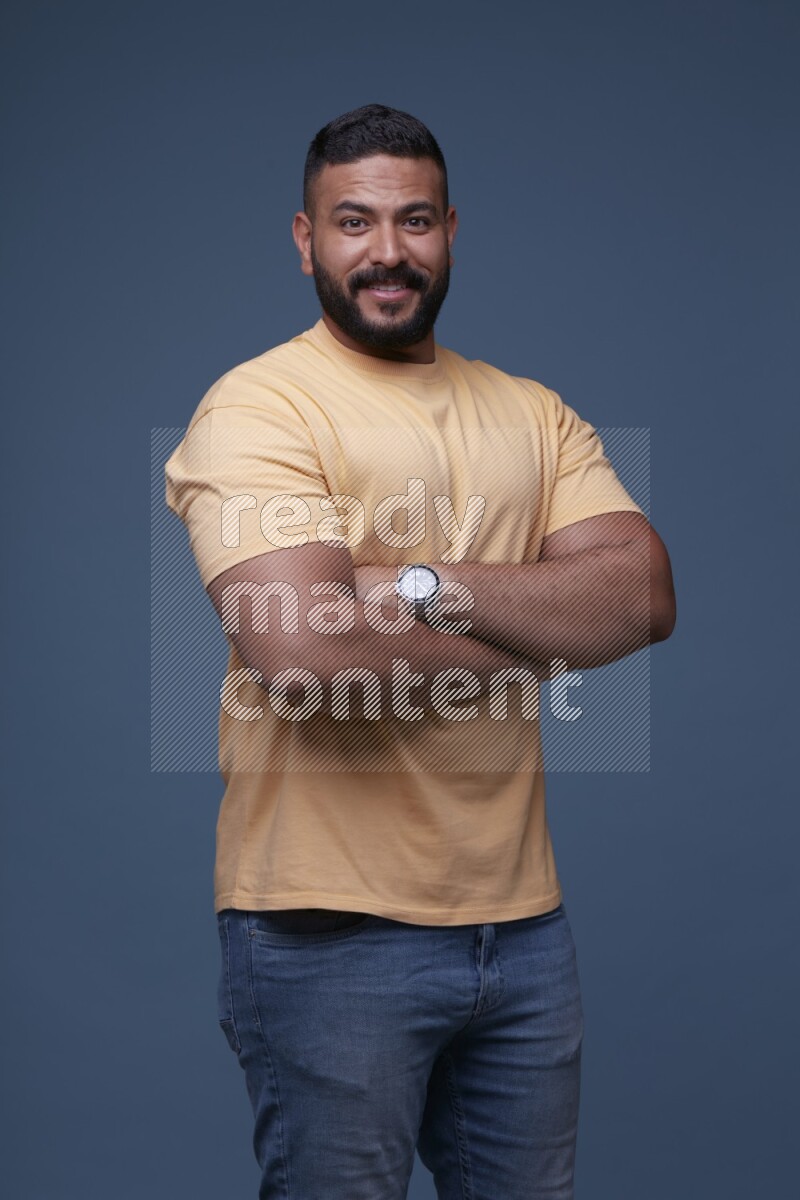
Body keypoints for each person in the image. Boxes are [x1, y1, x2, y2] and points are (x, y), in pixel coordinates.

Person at [164, 103, 675, 1200]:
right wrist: (543, 630)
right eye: (352, 222)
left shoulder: (531, 414)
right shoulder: (260, 407)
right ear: (304, 238)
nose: (386, 251)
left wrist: (413, 588)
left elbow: (641, 596)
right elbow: (304, 657)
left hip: (523, 929)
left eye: (412, 221)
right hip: (323, 933)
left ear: (450, 229)